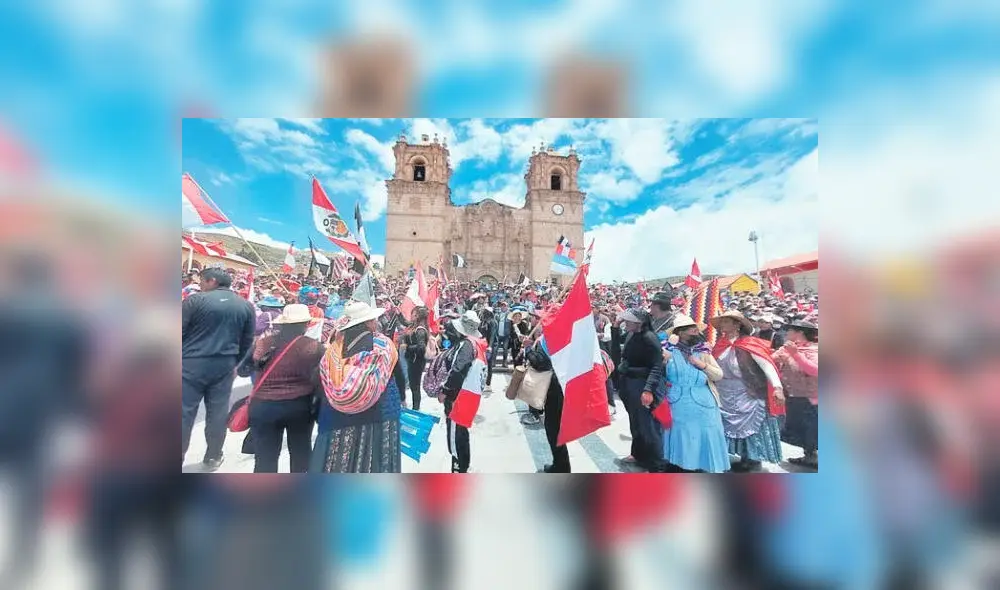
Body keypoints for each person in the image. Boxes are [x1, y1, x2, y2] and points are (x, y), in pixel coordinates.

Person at [311, 301, 406, 473]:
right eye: (373, 319)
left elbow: (319, 381)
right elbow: (398, 373)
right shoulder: (383, 346)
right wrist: (403, 398)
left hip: (336, 418)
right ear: (369, 323)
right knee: (374, 462)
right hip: (379, 414)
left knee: (338, 462)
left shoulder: (333, 349)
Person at [182, 267, 256, 471]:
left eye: (202, 281)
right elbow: (247, 340)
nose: (200, 285)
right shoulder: (245, 306)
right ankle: (213, 456)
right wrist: (235, 363)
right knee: (218, 412)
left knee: (184, 412)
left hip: (191, 364)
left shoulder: (194, 301)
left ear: (212, 281)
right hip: (224, 365)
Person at [248, 304, 325, 473]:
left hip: (263, 405)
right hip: (299, 406)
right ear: (306, 324)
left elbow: (247, 367)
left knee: (265, 459)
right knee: (300, 453)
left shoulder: (264, 342)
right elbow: (320, 379)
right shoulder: (314, 347)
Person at [710, 310, 785, 472]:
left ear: (737, 325)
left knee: (752, 426)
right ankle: (738, 455)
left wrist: (777, 387)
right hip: (724, 392)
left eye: (725, 321)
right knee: (727, 425)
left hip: (747, 391)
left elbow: (767, 365)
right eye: (721, 322)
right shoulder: (720, 344)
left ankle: (752, 458)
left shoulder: (749, 343)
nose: (722, 325)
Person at [661, 315, 731, 473]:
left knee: (704, 435)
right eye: (691, 330)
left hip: (704, 403)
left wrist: (701, 364)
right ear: (680, 332)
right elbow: (658, 368)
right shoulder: (667, 350)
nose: (696, 332)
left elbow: (718, 375)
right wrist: (668, 351)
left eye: (696, 329)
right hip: (677, 402)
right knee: (681, 436)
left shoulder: (703, 352)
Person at [616, 308, 667, 472]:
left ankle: (656, 465)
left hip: (643, 384)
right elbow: (617, 351)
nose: (625, 322)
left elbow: (656, 366)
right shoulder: (632, 335)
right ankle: (638, 454)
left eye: (629, 320)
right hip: (630, 384)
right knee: (635, 423)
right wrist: (615, 328)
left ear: (639, 322)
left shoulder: (649, 338)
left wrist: (648, 390)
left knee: (648, 426)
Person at [437, 311, 484, 473]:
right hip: (465, 396)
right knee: (461, 433)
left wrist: (445, 390)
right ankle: (463, 466)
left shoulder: (466, 346)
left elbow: (458, 370)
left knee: (455, 437)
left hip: (457, 398)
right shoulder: (473, 344)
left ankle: (458, 469)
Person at [774, 319, 819, 469]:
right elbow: (773, 360)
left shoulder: (813, 350)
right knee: (801, 429)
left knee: (812, 429)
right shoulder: (788, 348)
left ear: (800, 332)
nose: (786, 333)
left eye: (790, 330)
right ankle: (810, 456)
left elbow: (815, 370)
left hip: (811, 397)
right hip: (794, 395)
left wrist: (796, 355)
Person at [401, 306, 431, 411]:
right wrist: (398, 313)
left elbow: (421, 347)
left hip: (416, 361)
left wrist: (407, 347)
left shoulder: (420, 330)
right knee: (414, 386)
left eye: (413, 314)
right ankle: (415, 408)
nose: (411, 316)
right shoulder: (414, 326)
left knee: (415, 386)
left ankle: (415, 409)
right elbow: (405, 322)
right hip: (413, 360)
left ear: (418, 316)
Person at [479, 307, 498, 393]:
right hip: (483, 345)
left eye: (485, 312)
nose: (483, 313)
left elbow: (493, 335)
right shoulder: (483, 322)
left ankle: (488, 384)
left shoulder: (493, 322)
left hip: (491, 345)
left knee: (489, 365)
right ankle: (482, 382)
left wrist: (490, 346)